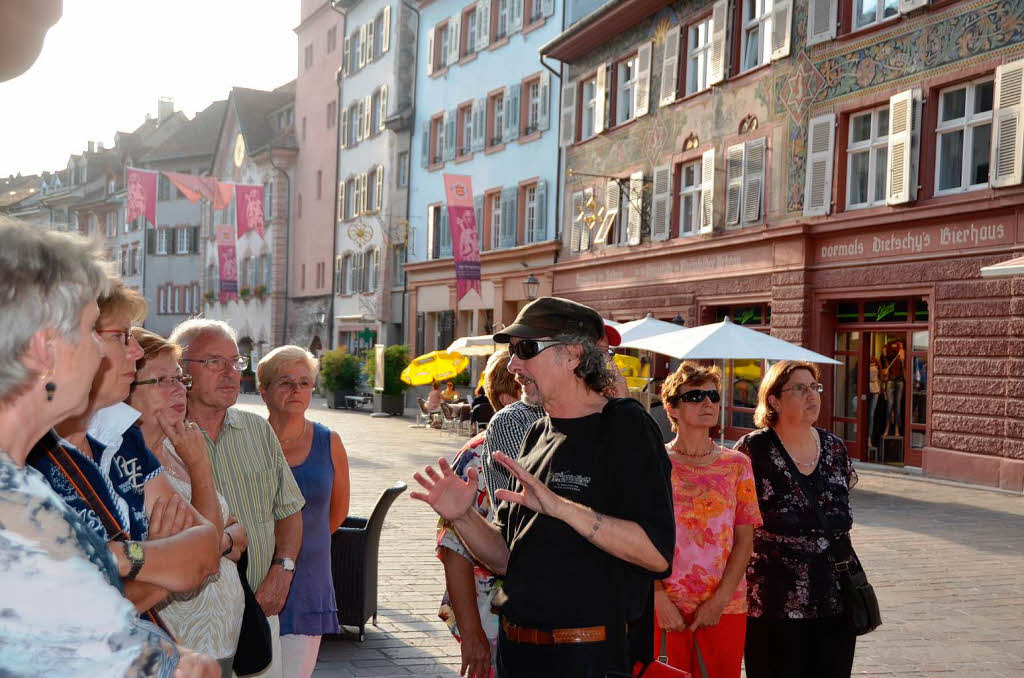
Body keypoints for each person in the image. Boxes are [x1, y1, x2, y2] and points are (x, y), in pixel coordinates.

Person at [412, 296, 675, 678]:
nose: (513, 364)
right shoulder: (537, 431)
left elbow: (656, 554)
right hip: (517, 653)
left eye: (526, 349)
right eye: (512, 350)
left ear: (571, 355)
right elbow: (505, 558)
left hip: (585, 656)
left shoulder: (625, 426)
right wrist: (462, 517)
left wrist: (563, 507)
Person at [0, 220, 215, 676]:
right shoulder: (17, 507)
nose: (111, 354)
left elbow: (204, 547)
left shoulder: (24, 486)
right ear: (44, 349)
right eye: (92, 331)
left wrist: (122, 559)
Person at [29, 281, 221, 614]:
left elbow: (206, 550)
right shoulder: (26, 453)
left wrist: (119, 556)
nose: (135, 352)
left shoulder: (122, 436)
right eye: (121, 336)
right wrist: (162, 558)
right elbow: (73, 613)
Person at [170, 318, 306, 678]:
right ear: (180, 370)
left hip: (259, 611)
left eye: (236, 361)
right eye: (214, 362)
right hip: (189, 625)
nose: (231, 372)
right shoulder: (161, 441)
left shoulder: (257, 430)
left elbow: (289, 509)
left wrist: (284, 569)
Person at [128, 327, 246, 677]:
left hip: (221, 641)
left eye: (179, 378)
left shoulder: (174, 448)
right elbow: (207, 552)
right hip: (176, 644)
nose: (179, 389)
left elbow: (237, 532)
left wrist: (216, 542)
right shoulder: (126, 466)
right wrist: (199, 468)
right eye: (162, 379)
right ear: (124, 391)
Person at [735, 360, 860, 678]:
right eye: (800, 388)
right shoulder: (752, 450)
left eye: (815, 387)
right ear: (774, 399)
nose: (812, 395)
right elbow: (737, 525)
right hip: (773, 605)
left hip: (834, 600)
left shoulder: (834, 447)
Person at [655, 362, 761, 678]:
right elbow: (637, 535)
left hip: (725, 606)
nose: (707, 403)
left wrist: (719, 601)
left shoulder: (737, 465)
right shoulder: (654, 463)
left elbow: (745, 540)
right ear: (671, 408)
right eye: (696, 396)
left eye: (713, 396)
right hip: (664, 606)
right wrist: (657, 596)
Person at [258, 346, 350, 678]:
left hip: (308, 578)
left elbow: (336, 514)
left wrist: (298, 546)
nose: (297, 391)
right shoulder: (247, 439)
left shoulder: (329, 442)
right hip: (253, 576)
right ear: (263, 388)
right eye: (285, 382)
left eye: (304, 383)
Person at [435, 349, 520, 678]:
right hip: (492, 618)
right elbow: (454, 551)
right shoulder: (479, 454)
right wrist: (473, 636)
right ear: (508, 398)